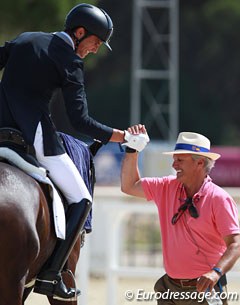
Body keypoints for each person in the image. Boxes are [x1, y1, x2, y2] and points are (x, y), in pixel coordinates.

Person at [0, 3, 127, 301]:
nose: (94, 50)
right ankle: (53, 275)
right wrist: (116, 135)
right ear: (80, 33)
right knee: (81, 199)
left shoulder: (25, 39)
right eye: (95, 42)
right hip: (33, 136)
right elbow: (79, 120)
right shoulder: (70, 60)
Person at [121, 128, 240, 305]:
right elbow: (129, 186)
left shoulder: (219, 198)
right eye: (174, 159)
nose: (174, 165)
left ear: (200, 163)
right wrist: (133, 149)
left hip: (204, 290)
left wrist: (216, 272)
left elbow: (236, 244)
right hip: (169, 288)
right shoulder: (166, 186)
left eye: (180, 160)